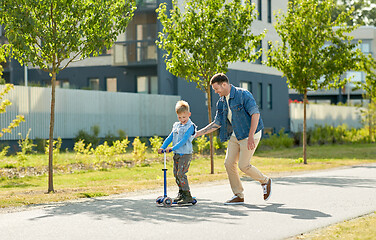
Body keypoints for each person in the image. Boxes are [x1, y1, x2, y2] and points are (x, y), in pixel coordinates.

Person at [195, 73, 272, 205]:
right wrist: (198, 133)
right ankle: (238, 195)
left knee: (244, 165)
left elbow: (255, 114)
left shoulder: (243, 94)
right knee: (228, 163)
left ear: (224, 84)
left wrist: (251, 136)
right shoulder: (222, 101)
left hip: (250, 134)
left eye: (216, 88)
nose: (215, 92)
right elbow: (217, 123)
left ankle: (265, 180)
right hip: (236, 134)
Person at [158, 100, 197, 204]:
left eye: (184, 117)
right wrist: (163, 147)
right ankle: (181, 193)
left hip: (185, 154)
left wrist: (171, 148)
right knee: (176, 174)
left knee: (181, 173)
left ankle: (187, 195)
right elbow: (170, 137)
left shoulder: (190, 126)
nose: (182, 119)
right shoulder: (176, 125)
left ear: (189, 114)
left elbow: (183, 140)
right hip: (177, 154)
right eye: (179, 117)